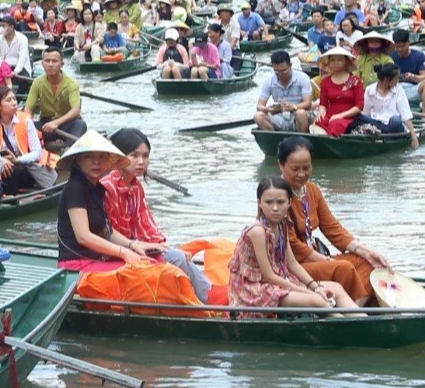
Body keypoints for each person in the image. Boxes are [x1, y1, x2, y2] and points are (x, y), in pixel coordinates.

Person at [52, 131, 197, 308]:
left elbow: (108, 232)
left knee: (154, 262)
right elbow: (84, 236)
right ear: (78, 160)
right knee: (146, 272)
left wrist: (132, 245)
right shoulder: (75, 188)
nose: (96, 162)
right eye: (89, 157)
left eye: (101, 157)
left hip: (98, 261)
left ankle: (187, 305)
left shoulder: (97, 189)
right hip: (76, 266)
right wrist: (123, 252)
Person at [272, 136, 389, 305]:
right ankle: (350, 313)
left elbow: (333, 228)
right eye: (295, 169)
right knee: (344, 268)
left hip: (314, 257)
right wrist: (328, 260)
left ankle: (354, 309)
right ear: (281, 165)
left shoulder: (312, 190)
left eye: (306, 167)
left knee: (367, 263)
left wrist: (366, 251)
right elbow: (293, 246)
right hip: (293, 265)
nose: (302, 174)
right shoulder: (277, 196)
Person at [101, 129, 212, 302]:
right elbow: (108, 232)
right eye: (134, 155)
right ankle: (209, 300)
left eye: (145, 156)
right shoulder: (108, 186)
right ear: (119, 156)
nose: (141, 162)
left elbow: (146, 225)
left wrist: (163, 247)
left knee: (178, 256)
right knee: (177, 258)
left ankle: (207, 296)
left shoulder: (136, 186)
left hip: (135, 245)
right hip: (116, 249)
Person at [229, 175, 355, 309]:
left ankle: (361, 320)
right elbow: (269, 276)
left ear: (289, 203)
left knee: (337, 288)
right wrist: (311, 293)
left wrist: (316, 287)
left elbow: (292, 264)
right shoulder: (257, 231)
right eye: (269, 202)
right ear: (259, 203)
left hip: (280, 281)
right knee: (318, 302)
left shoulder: (282, 226)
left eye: (280, 202)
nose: (275, 208)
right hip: (254, 289)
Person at [0, 88, 51, 198]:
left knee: (11, 170)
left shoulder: (26, 120)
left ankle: (10, 199)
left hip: (25, 167)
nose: (14, 103)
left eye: (14, 99)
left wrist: (17, 160)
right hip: (0, 164)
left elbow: (37, 153)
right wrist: (0, 160)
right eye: (8, 100)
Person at [25, 48, 86, 151]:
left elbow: (76, 110)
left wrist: (56, 123)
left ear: (62, 64)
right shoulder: (37, 83)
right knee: (24, 127)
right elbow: (28, 109)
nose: (50, 64)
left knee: (80, 124)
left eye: (54, 61)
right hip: (46, 125)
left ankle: (69, 151)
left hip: (67, 124)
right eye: (47, 61)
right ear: (42, 63)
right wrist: (29, 124)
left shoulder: (72, 84)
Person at [254, 49, 316, 132]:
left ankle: (301, 141)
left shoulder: (302, 78)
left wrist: (293, 107)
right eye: (276, 71)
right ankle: (275, 139)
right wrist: (269, 109)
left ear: (290, 65)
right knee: (258, 116)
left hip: (300, 115)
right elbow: (259, 106)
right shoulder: (269, 82)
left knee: (300, 113)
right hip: (280, 116)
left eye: (284, 71)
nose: (280, 74)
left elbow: (308, 104)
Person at [354, 67, 418, 146]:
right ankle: (381, 134)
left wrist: (414, 137)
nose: (397, 82)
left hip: (394, 126)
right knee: (359, 117)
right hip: (377, 124)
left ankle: (382, 134)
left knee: (396, 120)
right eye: (396, 79)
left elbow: (406, 115)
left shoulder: (398, 90)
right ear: (387, 79)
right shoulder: (369, 90)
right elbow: (365, 112)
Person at [312, 47, 366, 137]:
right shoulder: (325, 82)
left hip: (350, 117)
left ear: (346, 62)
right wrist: (321, 112)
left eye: (339, 60)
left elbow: (359, 106)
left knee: (335, 124)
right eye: (332, 60)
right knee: (319, 122)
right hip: (331, 115)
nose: (335, 63)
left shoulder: (355, 80)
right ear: (329, 62)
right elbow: (323, 104)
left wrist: (340, 116)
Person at [388, 28, 425, 112]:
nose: (400, 49)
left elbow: (424, 77)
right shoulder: (390, 55)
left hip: (412, 89)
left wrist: (412, 77)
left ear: (408, 43)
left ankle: (424, 115)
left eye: (403, 46)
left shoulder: (419, 55)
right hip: (395, 89)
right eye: (397, 46)